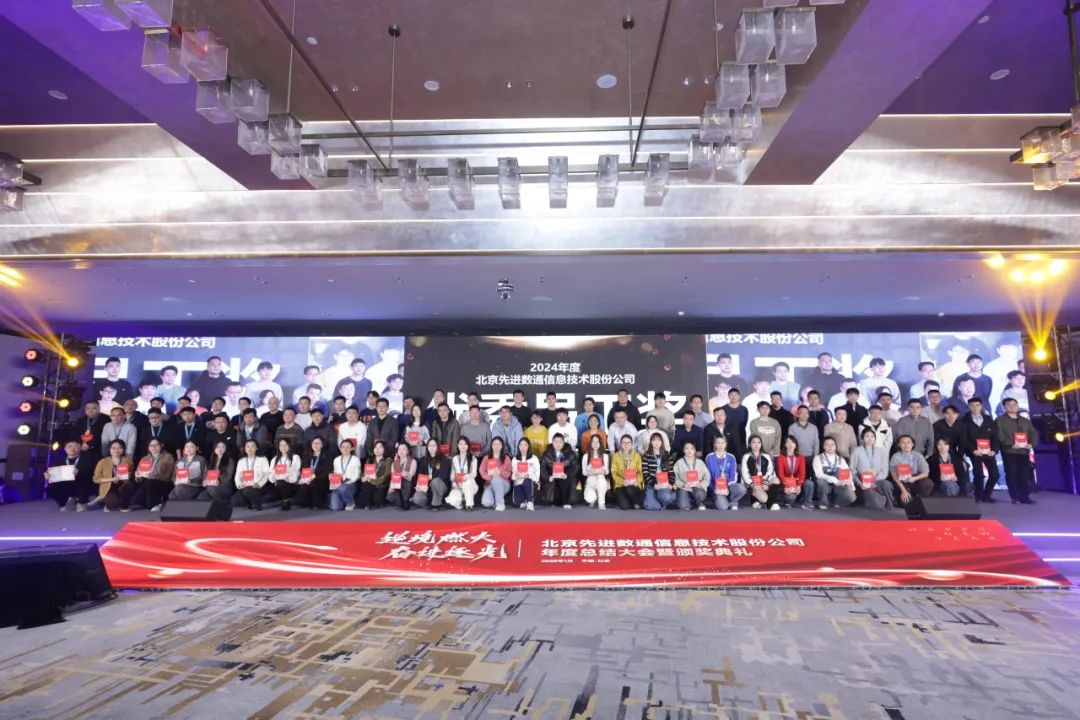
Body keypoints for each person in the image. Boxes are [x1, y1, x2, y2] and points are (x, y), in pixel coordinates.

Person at [995, 397, 1038, 504]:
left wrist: (1031, 444)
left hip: (1023, 452)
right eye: (1009, 405)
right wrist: (1011, 444)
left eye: (1014, 404)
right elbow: (999, 436)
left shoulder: (1024, 420)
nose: (1012, 407)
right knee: (1011, 475)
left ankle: (1025, 497)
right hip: (1009, 452)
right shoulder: (1000, 420)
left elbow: (1033, 433)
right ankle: (1015, 497)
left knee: (1024, 475)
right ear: (1004, 407)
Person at [961, 397, 1000, 502]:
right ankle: (978, 496)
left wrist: (994, 450)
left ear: (981, 406)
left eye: (977, 405)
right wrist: (972, 450)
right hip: (975, 452)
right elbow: (964, 439)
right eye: (972, 406)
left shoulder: (988, 419)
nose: (975, 408)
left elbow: (995, 436)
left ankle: (986, 495)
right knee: (978, 475)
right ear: (969, 407)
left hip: (989, 452)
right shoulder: (964, 421)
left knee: (995, 475)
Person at [849, 427, 894, 510]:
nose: (870, 438)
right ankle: (875, 500)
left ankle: (890, 505)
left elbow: (884, 470)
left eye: (872, 436)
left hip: (877, 480)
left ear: (875, 438)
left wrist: (874, 480)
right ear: (862, 438)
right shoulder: (857, 451)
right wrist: (859, 483)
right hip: (863, 482)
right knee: (876, 505)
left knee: (887, 484)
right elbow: (852, 470)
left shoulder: (881, 451)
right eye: (867, 436)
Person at [46, 440, 95, 511]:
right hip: (67, 485)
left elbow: (91, 474)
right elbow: (52, 473)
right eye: (69, 446)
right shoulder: (60, 460)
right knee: (50, 488)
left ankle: (82, 502)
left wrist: (79, 473)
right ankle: (63, 503)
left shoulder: (87, 459)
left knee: (85, 481)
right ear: (65, 449)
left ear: (80, 448)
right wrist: (48, 475)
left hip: (81, 484)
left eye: (75, 446)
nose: (72, 449)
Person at [128, 437, 174, 512]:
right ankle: (145, 502)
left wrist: (152, 476)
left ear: (161, 445)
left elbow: (167, 475)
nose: (154, 447)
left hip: (162, 482)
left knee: (150, 482)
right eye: (151, 445)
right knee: (135, 500)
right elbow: (139, 476)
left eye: (156, 445)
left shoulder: (168, 457)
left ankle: (155, 504)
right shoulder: (144, 458)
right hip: (146, 482)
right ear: (148, 447)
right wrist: (137, 476)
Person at [811, 436, 855, 509]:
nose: (830, 447)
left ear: (835, 447)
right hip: (825, 485)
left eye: (832, 444)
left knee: (851, 497)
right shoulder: (818, 458)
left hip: (838, 485)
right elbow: (818, 474)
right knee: (821, 481)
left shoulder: (840, 459)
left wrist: (850, 484)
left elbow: (847, 473)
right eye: (827, 444)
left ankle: (835, 501)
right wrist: (834, 480)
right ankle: (823, 502)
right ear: (823, 446)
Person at [889, 434, 932, 505]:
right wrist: (904, 491)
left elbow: (926, 473)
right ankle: (907, 496)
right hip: (901, 482)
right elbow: (894, 476)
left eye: (908, 442)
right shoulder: (895, 457)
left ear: (912, 444)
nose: (906, 445)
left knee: (928, 483)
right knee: (906, 503)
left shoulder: (918, 455)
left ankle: (920, 498)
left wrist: (915, 478)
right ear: (899, 445)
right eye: (903, 442)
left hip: (915, 480)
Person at [92, 440, 135, 512]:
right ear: (109, 449)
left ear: (123, 449)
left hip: (123, 485)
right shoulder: (103, 462)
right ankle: (105, 499)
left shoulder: (128, 461)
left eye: (120, 448)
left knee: (129, 485)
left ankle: (124, 506)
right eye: (113, 448)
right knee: (112, 504)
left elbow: (131, 474)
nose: (116, 450)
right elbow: (96, 479)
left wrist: (128, 475)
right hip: (109, 487)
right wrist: (112, 479)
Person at [705, 435, 745, 511]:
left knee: (742, 488)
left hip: (728, 486)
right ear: (714, 444)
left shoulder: (731, 457)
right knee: (723, 507)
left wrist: (726, 487)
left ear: (726, 444)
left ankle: (733, 501)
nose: (721, 445)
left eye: (723, 443)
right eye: (718, 443)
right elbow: (707, 477)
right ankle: (722, 500)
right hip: (716, 488)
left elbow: (734, 477)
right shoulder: (709, 458)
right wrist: (715, 489)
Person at [740, 434, 779, 510]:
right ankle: (754, 499)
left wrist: (765, 482)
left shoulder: (766, 456)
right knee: (763, 499)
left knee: (776, 480)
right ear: (749, 444)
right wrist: (753, 485)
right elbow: (744, 474)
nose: (756, 445)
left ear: (761, 444)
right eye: (753, 442)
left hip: (764, 481)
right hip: (753, 484)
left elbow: (770, 471)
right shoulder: (746, 457)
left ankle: (771, 503)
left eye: (758, 442)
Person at [540, 433, 578, 508]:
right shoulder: (546, 454)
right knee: (555, 497)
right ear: (552, 442)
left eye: (560, 442)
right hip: (552, 477)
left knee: (565, 481)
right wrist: (548, 477)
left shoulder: (571, 453)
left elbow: (576, 467)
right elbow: (542, 469)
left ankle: (566, 502)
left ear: (563, 443)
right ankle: (555, 501)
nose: (558, 444)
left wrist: (567, 474)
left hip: (565, 477)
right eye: (556, 441)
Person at [776, 436, 813, 509]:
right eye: (788, 442)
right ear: (785, 444)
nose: (790, 444)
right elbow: (781, 474)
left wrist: (799, 485)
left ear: (796, 445)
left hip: (797, 482)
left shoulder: (801, 457)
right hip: (786, 483)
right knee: (791, 498)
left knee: (809, 483)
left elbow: (802, 473)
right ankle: (786, 500)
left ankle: (807, 503)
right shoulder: (781, 457)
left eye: (793, 442)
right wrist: (786, 486)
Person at [232, 439, 271, 511]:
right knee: (234, 501)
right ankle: (251, 500)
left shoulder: (263, 459)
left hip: (257, 486)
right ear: (244, 448)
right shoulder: (241, 461)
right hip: (245, 486)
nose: (250, 448)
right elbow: (237, 476)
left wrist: (259, 484)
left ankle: (256, 504)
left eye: (252, 446)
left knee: (247, 492)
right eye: (247, 446)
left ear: (257, 448)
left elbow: (266, 474)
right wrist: (239, 485)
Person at [674, 440, 711, 511]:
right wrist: (683, 484)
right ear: (683, 450)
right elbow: (676, 479)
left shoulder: (700, 462)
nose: (689, 451)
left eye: (692, 448)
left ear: (695, 450)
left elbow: (707, 477)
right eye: (687, 448)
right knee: (683, 506)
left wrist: (701, 484)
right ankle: (691, 502)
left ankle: (699, 502)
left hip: (697, 487)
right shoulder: (678, 463)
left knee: (699, 493)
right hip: (684, 488)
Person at [610, 434, 644, 510]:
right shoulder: (616, 456)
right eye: (624, 442)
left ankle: (636, 502)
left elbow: (640, 472)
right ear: (621, 444)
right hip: (620, 485)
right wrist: (622, 482)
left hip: (634, 484)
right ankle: (629, 500)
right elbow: (614, 472)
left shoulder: (637, 455)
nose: (626, 445)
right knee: (625, 507)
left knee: (630, 490)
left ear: (631, 444)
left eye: (628, 442)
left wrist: (637, 481)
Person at [642, 432, 674, 511]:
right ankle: (662, 503)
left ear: (662, 442)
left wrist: (670, 484)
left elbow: (672, 473)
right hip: (652, 483)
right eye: (654, 440)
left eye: (659, 440)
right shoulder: (646, 455)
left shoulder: (667, 455)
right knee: (651, 506)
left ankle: (675, 497)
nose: (657, 442)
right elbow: (645, 473)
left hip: (665, 483)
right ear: (651, 442)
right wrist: (654, 485)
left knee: (666, 497)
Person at [328, 438, 363, 511]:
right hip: (339, 482)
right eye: (343, 447)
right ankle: (345, 499)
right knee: (335, 507)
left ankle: (350, 503)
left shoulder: (355, 459)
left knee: (343, 488)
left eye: (348, 447)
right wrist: (332, 476)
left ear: (352, 448)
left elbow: (358, 474)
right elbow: (335, 472)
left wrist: (351, 481)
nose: (345, 449)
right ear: (340, 448)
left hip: (351, 483)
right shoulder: (336, 459)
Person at [355, 440, 391, 509]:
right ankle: (367, 503)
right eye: (375, 447)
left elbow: (387, 475)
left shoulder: (388, 460)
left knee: (377, 500)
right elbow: (364, 473)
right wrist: (363, 478)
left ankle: (369, 501)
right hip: (370, 483)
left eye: (380, 447)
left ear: (384, 449)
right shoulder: (369, 460)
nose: (377, 449)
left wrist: (374, 481)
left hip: (381, 485)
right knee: (365, 485)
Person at [479, 436, 512, 511]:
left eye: (498, 444)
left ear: (502, 446)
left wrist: (500, 472)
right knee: (486, 503)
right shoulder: (486, 457)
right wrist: (490, 477)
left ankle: (500, 504)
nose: (496, 446)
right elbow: (482, 471)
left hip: (504, 484)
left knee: (496, 479)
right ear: (491, 445)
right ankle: (496, 498)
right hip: (490, 484)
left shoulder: (506, 458)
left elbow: (509, 473)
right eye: (494, 444)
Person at [416, 439, 451, 509]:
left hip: (441, 486)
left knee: (435, 481)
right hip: (426, 486)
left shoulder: (444, 459)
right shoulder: (423, 460)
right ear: (427, 447)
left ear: (437, 447)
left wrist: (430, 477)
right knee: (417, 499)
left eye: (434, 445)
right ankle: (431, 499)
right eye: (429, 445)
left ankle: (435, 503)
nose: (431, 447)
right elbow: (420, 476)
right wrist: (419, 485)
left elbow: (443, 476)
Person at [447, 437, 480, 510]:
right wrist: (454, 483)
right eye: (460, 444)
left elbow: (474, 474)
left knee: (467, 482)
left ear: (468, 446)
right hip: (458, 485)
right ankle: (463, 499)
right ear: (458, 446)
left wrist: (466, 477)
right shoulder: (455, 458)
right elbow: (452, 474)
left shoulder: (473, 458)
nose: (463, 446)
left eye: (465, 444)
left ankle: (469, 505)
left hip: (470, 484)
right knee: (453, 501)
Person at [270, 438, 302, 511]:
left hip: (291, 483)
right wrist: (273, 477)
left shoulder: (295, 457)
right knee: (278, 483)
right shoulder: (275, 459)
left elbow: (296, 473)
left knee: (281, 482)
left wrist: (285, 474)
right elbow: (271, 473)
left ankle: (285, 500)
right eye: (281, 445)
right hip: (278, 483)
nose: (283, 447)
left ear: (289, 446)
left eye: (285, 445)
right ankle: (284, 499)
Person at [581, 434, 611, 510]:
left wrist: (601, 471)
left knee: (601, 482)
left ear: (600, 443)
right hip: (590, 479)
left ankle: (601, 503)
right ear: (590, 443)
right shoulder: (586, 456)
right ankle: (595, 497)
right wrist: (591, 472)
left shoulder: (605, 456)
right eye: (593, 442)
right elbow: (584, 473)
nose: (595, 444)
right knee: (590, 499)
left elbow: (607, 472)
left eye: (597, 442)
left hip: (601, 478)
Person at [510, 437, 540, 510]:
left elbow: (537, 473)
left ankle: (530, 502)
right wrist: (516, 475)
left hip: (531, 482)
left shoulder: (534, 458)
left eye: (525, 445)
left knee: (527, 481)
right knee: (517, 501)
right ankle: (525, 499)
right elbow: (513, 475)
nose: (523, 447)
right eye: (521, 445)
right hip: (519, 482)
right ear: (518, 446)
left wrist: (529, 476)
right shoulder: (515, 459)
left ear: (528, 446)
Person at [386, 442, 418, 510]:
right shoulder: (394, 463)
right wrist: (390, 487)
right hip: (397, 485)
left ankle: (406, 500)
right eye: (399, 449)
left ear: (408, 451)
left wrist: (405, 474)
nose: (401, 451)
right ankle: (401, 500)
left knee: (406, 480)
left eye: (404, 449)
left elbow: (410, 476)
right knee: (389, 496)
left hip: (409, 485)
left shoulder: (413, 461)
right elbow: (393, 477)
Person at [723, 387, 749, 452]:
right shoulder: (723, 409)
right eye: (731, 395)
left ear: (739, 396)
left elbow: (744, 423)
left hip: (741, 437)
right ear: (728, 396)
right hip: (727, 438)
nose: (734, 397)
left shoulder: (744, 409)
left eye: (736, 395)